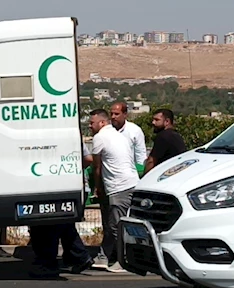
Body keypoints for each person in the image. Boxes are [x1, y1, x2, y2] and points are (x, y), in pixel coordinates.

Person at [27, 143, 95, 278]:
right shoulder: (70, 138)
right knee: (64, 225)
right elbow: (87, 159)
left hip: (57, 183)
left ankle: (50, 263)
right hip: (68, 184)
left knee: (52, 225)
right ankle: (77, 257)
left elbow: (88, 159)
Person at [89, 108, 139, 273]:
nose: (90, 126)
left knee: (116, 226)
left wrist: (98, 187)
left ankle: (123, 261)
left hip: (119, 186)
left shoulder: (100, 138)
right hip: (131, 183)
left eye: (92, 123)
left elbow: (97, 166)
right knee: (114, 223)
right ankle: (103, 256)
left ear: (102, 123)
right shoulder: (119, 135)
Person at [143, 109, 188, 174]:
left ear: (167, 121)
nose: (153, 122)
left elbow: (151, 161)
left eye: (157, 120)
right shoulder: (175, 135)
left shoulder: (163, 136)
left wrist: (144, 178)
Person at [109, 102, 147, 171]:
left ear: (125, 114)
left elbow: (140, 155)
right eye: (111, 114)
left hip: (129, 173)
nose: (113, 117)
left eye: (116, 114)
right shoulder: (106, 131)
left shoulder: (135, 131)